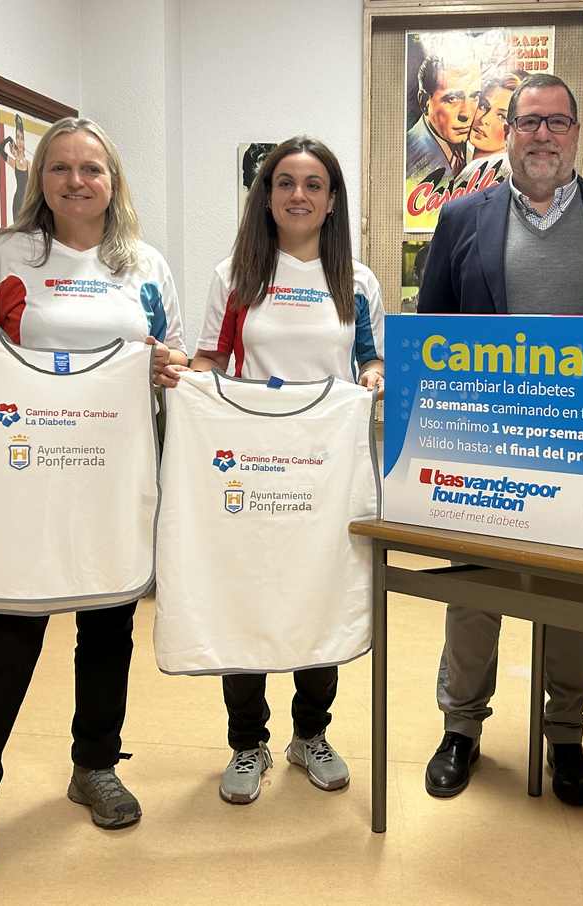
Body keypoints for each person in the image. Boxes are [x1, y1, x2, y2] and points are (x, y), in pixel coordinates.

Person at [0, 116, 187, 874]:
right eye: (60, 168)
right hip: (26, 475)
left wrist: (162, 367)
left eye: (93, 169)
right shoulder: (9, 255)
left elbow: (171, 355)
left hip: (112, 476)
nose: (77, 181)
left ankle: (95, 766)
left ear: (114, 182)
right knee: (7, 636)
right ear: (38, 181)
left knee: (107, 626)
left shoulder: (144, 265)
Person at [417, 73, 583, 805]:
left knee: (572, 596)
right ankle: (460, 728)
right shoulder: (463, 218)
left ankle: (565, 735)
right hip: (486, 448)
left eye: (558, 123)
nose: (543, 137)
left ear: (577, 133)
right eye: (529, 123)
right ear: (510, 132)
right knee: (473, 593)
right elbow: (433, 335)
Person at [186, 136, 384, 806]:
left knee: (317, 596)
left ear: (332, 202)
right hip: (248, 466)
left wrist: (375, 376)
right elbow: (210, 362)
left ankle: (310, 735)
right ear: (266, 196)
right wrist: (182, 380)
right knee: (244, 597)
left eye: (314, 185)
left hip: (323, 473)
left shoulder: (355, 281)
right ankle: (248, 743)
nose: (298, 195)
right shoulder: (234, 277)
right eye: (285, 183)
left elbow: (367, 361)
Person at [406, 54, 481, 183]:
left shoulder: (474, 148)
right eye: (452, 99)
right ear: (424, 102)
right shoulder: (408, 158)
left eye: (474, 97)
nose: (467, 114)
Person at [0, 114, 31, 222]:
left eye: (21, 138)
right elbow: (0, 149)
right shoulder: (14, 162)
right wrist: (8, 139)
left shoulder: (28, 164)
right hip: (17, 201)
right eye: (17, 138)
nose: (19, 141)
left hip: (26, 202)